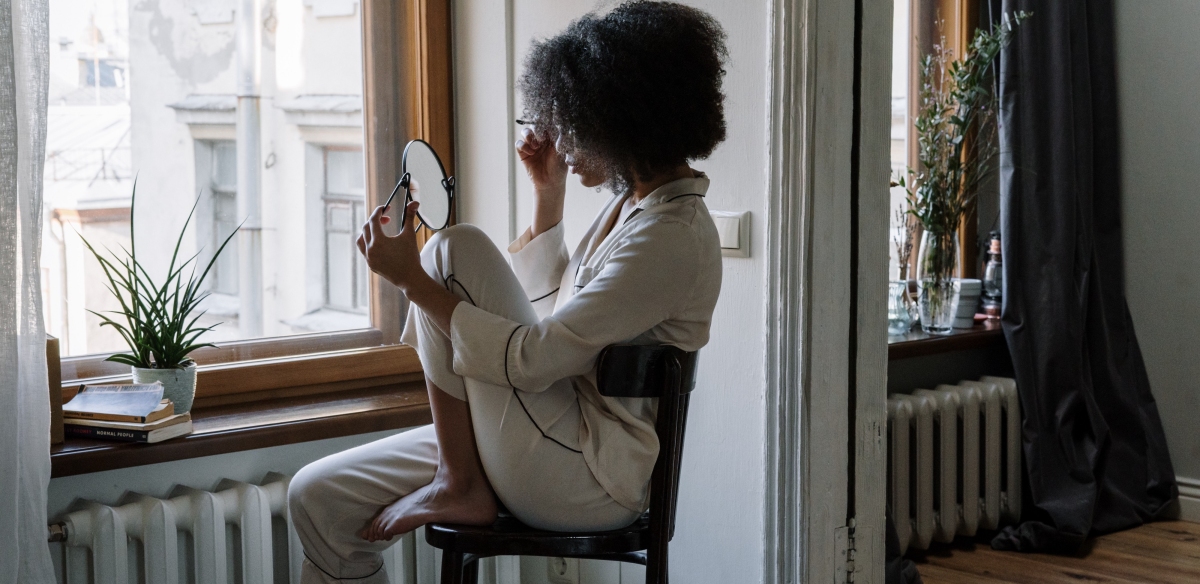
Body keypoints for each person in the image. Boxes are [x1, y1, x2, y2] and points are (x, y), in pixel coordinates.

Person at [287, 2, 728, 581]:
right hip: (548, 433)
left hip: (589, 476)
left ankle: (458, 480)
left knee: (454, 248)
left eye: (572, 124)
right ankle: (458, 472)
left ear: (623, 118)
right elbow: (550, 326)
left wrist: (410, 282)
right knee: (317, 495)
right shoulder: (632, 211)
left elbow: (533, 357)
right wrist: (548, 197)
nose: (563, 143)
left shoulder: (672, 237)